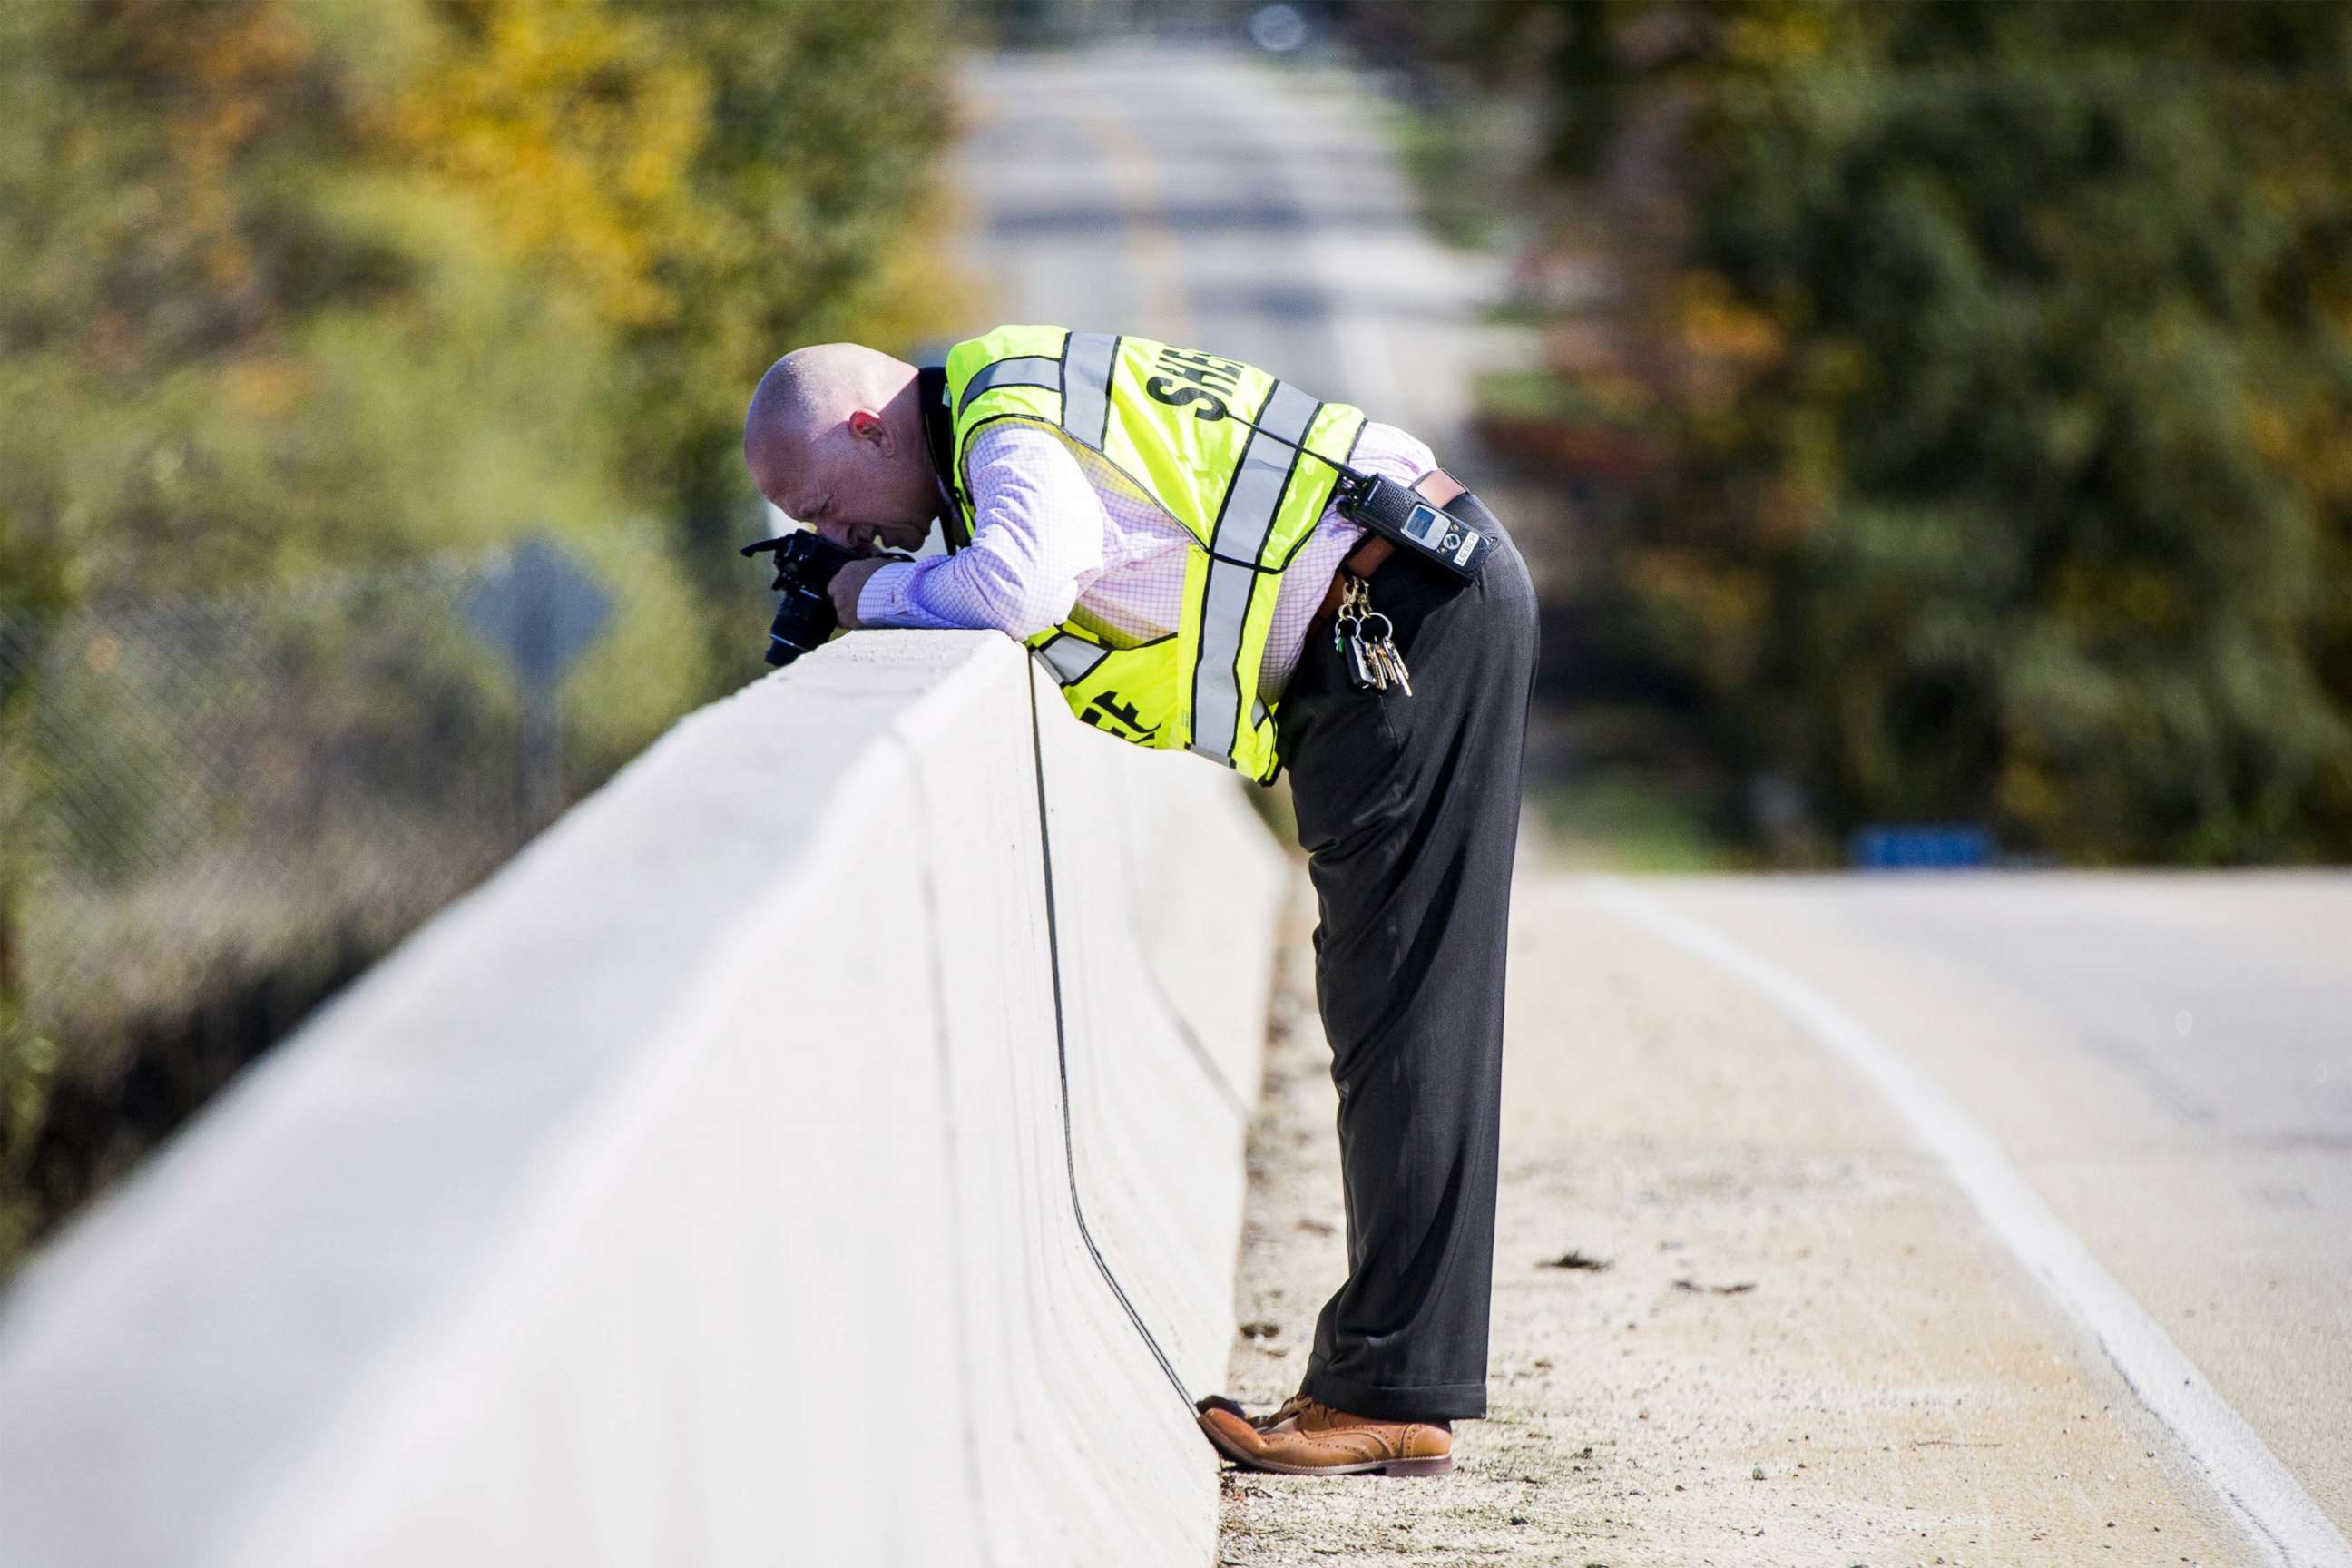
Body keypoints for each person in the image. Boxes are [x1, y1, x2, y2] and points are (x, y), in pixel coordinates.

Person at [741, 328, 1537, 1478]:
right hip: (1394, 609)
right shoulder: (1001, 404)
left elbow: (1019, 584)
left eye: (821, 504)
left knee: (1407, 1012)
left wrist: (870, 590)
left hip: (1402, 614)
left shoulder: (1006, 431)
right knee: (1392, 1009)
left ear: (869, 425)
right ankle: (1390, 1378)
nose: (830, 536)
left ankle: (1393, 1391)